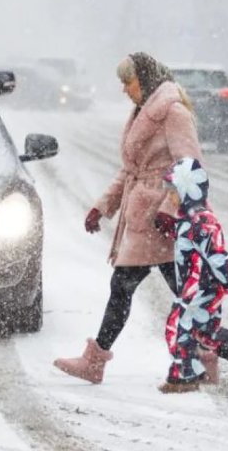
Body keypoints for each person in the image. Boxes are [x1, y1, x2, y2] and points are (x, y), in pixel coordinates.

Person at [54, 52, 204, 384]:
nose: (124, 89)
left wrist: (170, 209)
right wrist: (103, 207)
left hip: (159, 220)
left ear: (145, 79)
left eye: (128, 81)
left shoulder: (172, 113)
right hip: (144, 218)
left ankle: (94, 364)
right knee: (178, 294)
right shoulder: (143, 112)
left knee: (125, 288)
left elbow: (190, 166)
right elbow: (131, 170)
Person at [157, 156, 228, 393]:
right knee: (204, 333)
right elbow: (190, 247)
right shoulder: (189, 219)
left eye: (173, 191)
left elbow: (218, 257)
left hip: (201, 286)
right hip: (199, 286)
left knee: (178, 324)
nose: (169, 196)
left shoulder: (202, 221)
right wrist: (173, 229)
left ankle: (184, 376)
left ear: (188, 190)